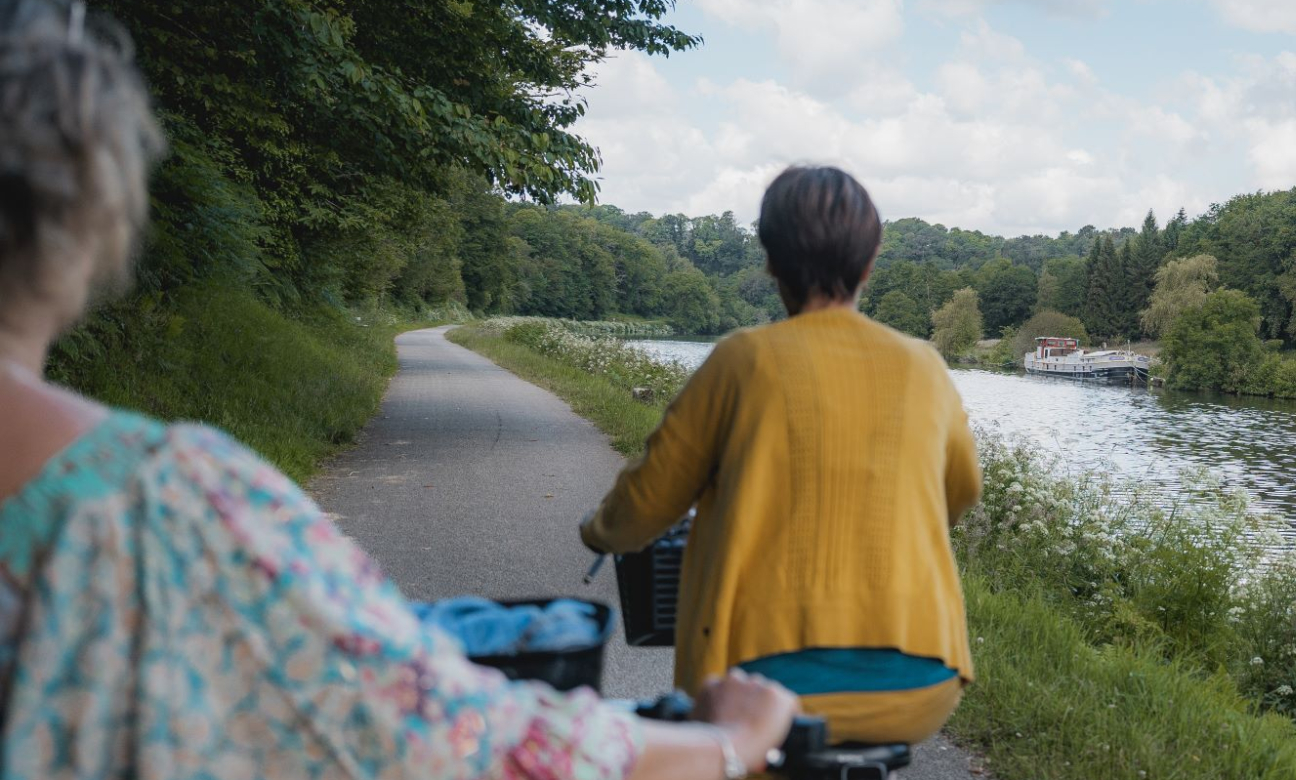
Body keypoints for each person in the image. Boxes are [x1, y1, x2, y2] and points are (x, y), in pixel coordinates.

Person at [0, 2, 798, 778]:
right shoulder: (161, 509)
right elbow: (449, 734)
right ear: (83, 209)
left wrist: (609, 529)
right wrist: (727, 743)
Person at [583, 165, 980, 746]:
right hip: (922, 680)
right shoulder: (925, 365)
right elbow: (962, 489)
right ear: (871, 263)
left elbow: (648, 501)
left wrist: (600, 533)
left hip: (758, 686)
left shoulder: (744, 361)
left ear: (771, 263)